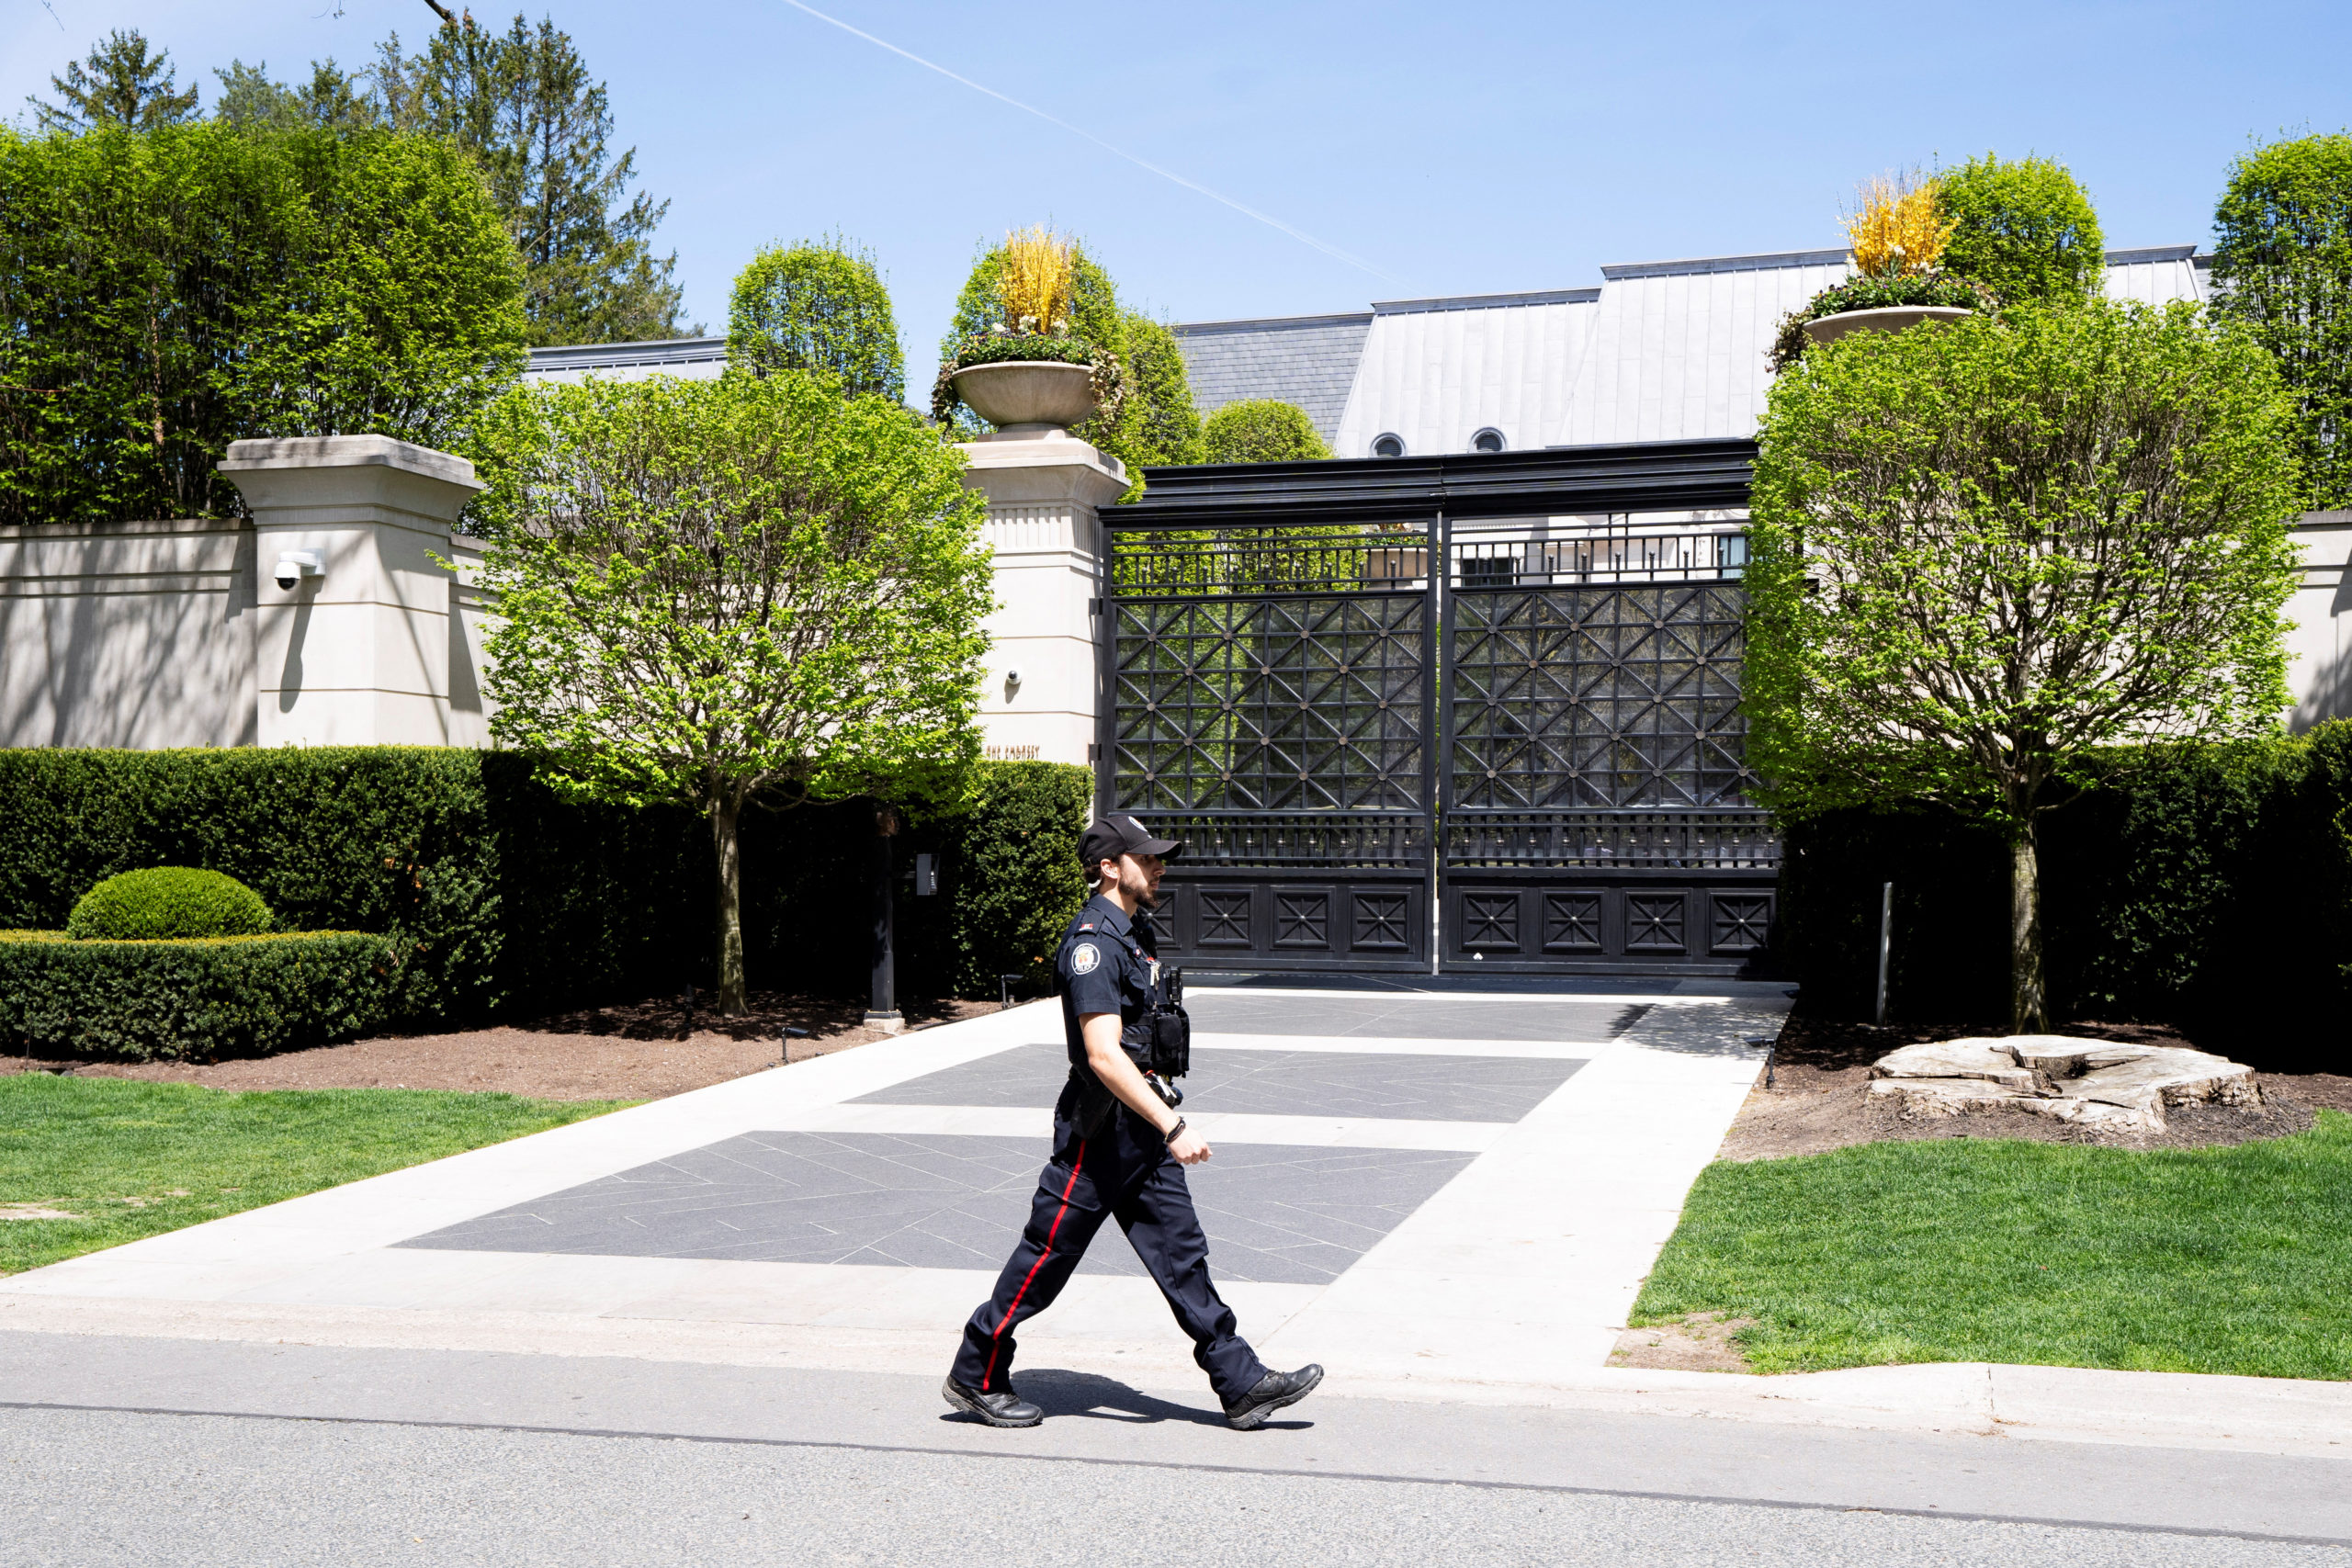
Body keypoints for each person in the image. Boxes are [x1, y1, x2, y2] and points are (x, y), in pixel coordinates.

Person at [944, 813, 1323, 1431]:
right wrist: (1173, 1126)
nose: (1159, 868)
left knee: (1183, 1254)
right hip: (1099, 1136)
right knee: (1044, 1260)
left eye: (1158, 858)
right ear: (1108, 866)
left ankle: (1241, 1381)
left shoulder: (1133, 931)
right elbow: (1101, 1053)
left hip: (1138, 1128)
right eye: (1146, 859)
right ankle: (976, 1371)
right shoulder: (1093, 941)